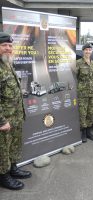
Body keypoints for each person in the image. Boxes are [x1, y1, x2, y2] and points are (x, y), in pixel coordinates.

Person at [0, 32, 32, 190]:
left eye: (10, 46)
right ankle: (4, 177)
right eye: (4, 45)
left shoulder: (8, 64)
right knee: (3, 149)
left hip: (16, 116)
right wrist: (1, 121)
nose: (8, 48)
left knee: (13, 146)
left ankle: (13, 168)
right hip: (4, 119)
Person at [76, 43, 93, 143]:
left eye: (89, 50)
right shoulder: (78, 63)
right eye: (86, 50)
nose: (88, 51)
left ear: (91, 51)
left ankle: (89, 132)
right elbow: (74, 78)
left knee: (91, 113)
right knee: (82, 114)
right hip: (82, 93)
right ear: (83, 51)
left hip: (92, 94)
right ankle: (83, 133)